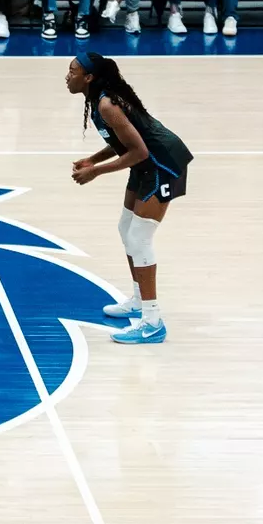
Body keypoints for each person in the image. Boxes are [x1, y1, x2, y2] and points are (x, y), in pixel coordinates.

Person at [66, 53, 193, 345]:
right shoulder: (99, 100)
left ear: (89, 78)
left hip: (163, 164)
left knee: (139, 237)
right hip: (146, 162)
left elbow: (139, 151)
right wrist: (92, 159)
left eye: (73, 71)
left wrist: (96, 172)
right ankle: (138, 301)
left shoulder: (107, 104)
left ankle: (152, 322)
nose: (67, 75)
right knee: (127, 229)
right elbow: (122, 141)